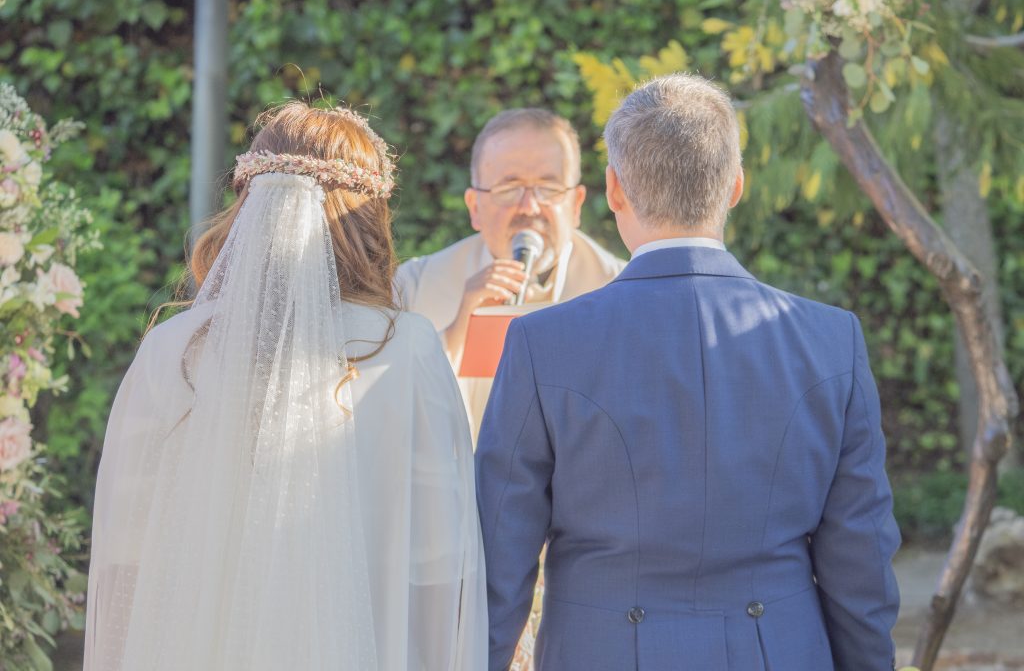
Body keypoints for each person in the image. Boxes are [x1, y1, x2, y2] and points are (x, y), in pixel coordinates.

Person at [476, 74, 901, 671]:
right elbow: (861, 560)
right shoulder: (832, 341)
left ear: (614, 190)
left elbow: (501, 553)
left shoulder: (542, 343)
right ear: (735, 187)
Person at [84, 103, 487, 671]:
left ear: (248, 205)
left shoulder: (171, 351)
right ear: (369, 217)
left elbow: (122, 559)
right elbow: (442, 565)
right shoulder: (409, 350)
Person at [396, 108, 624, 438]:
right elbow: (384, 408)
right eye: (508, 188)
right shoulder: (414, 288)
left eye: (548, 188)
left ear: (575, 205)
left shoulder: (619, 288)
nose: (529, 208)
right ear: (474, 207)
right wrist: (456, 335)